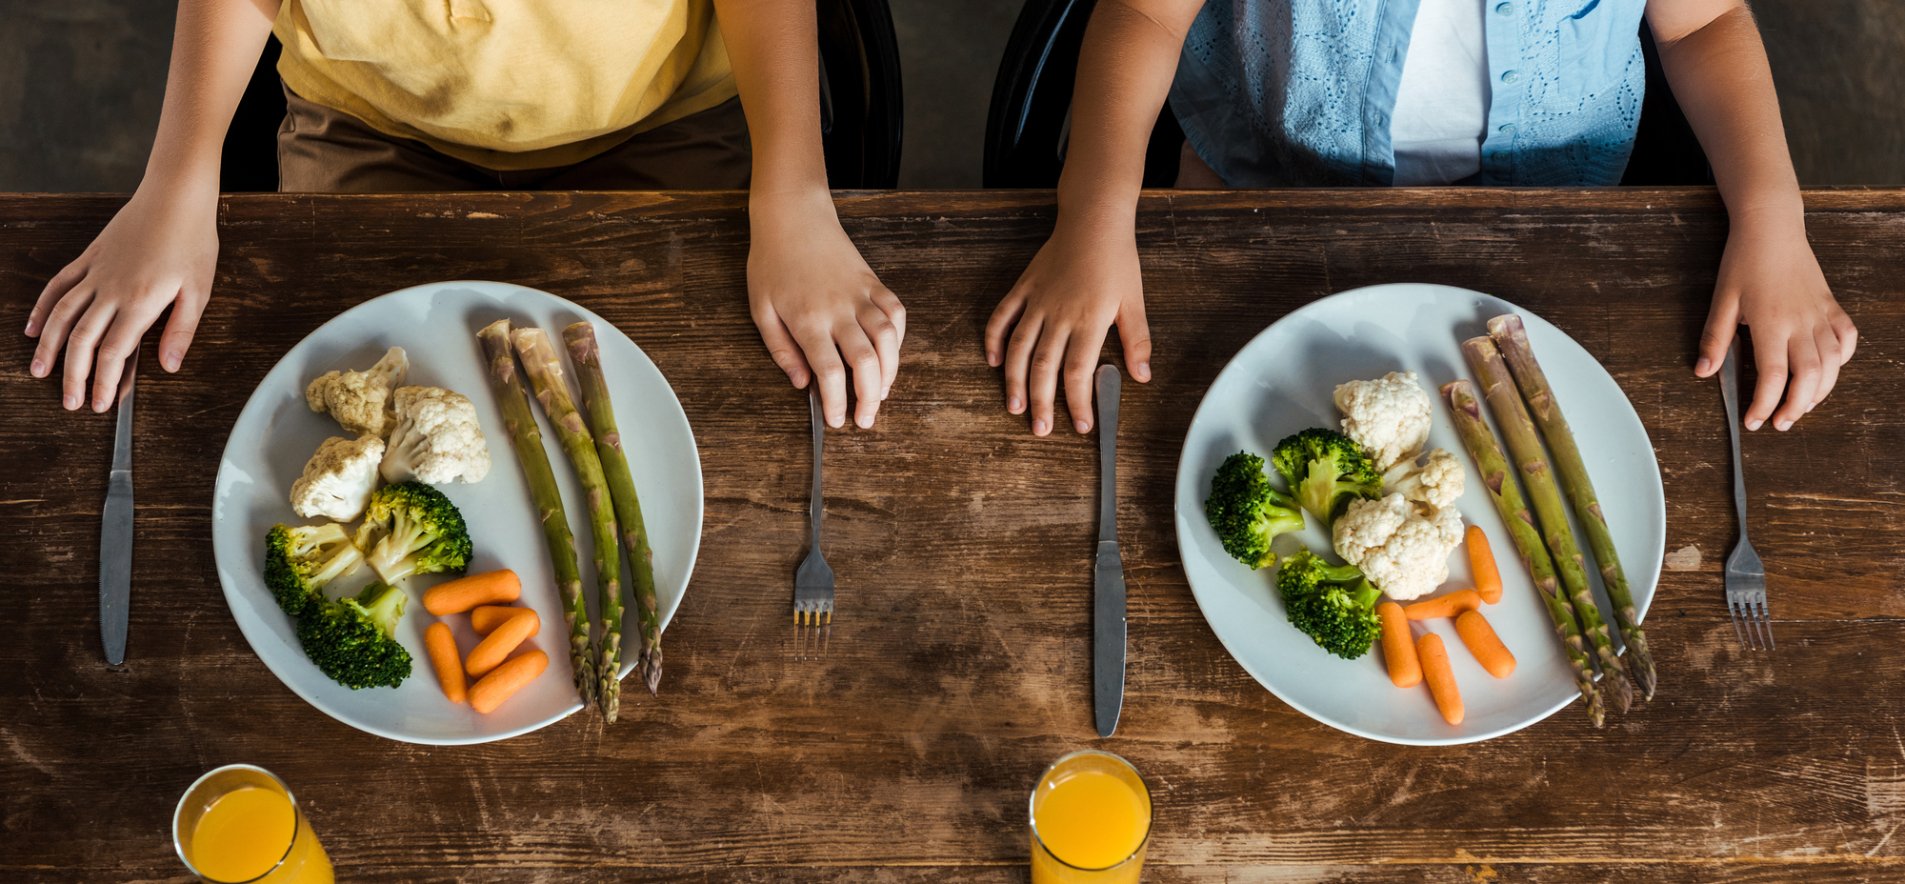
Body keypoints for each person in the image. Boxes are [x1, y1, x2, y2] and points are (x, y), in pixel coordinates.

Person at [986, 0, 1857, 437]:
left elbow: (1702, 23)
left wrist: (1773, 219)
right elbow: (1142, 11)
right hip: (1260, 186)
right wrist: (1094, 217)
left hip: (1547, 224)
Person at [24, 0, 904, 431]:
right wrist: (177, 182)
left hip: (657, 118)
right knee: (340, 406)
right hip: (373, 120)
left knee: (683, 411)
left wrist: (794, 195)